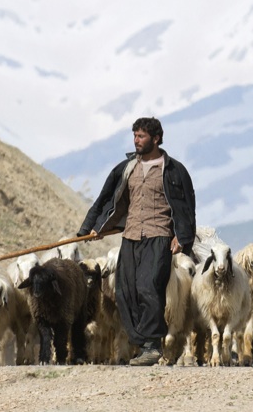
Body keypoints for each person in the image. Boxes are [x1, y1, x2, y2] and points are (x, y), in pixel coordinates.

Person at [78, 116, 196, 366]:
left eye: (141, 136)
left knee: (149, 286)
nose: (136, 141)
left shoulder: (173, 170)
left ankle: (152, 345)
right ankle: (142, 342)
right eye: (134, 136)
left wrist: (182, 236)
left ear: (156, 139)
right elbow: (108, 199)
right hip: (130, 236)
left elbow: (187, 207)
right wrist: (91, 227)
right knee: (124, 290)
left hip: (159, 236)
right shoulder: (127, 168)